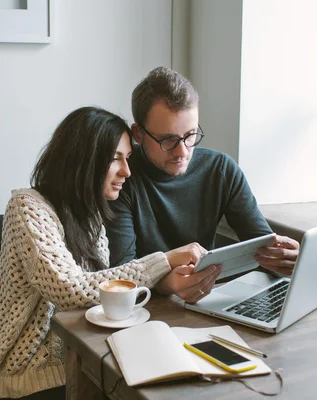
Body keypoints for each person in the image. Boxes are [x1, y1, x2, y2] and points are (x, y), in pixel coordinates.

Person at [0, 107, 216, 399]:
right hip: (31, 377)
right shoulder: (27, 207)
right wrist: (163, 261)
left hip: (88, 358)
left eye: (127, 158)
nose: (127, 171)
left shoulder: (91, 216)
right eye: (115, 158)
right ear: (82, 158)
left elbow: (98, 293)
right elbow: (69, 289)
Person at [106, 67, 300, 303]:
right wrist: (168, 285)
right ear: (138, 134)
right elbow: (121, 273)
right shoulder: (120, 178)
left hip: (204, 301)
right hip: (144, 307)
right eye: (168, 140)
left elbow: (261, 245)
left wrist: (286, 259)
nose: (183, 151)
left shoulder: (220, 169)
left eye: (190, 135)